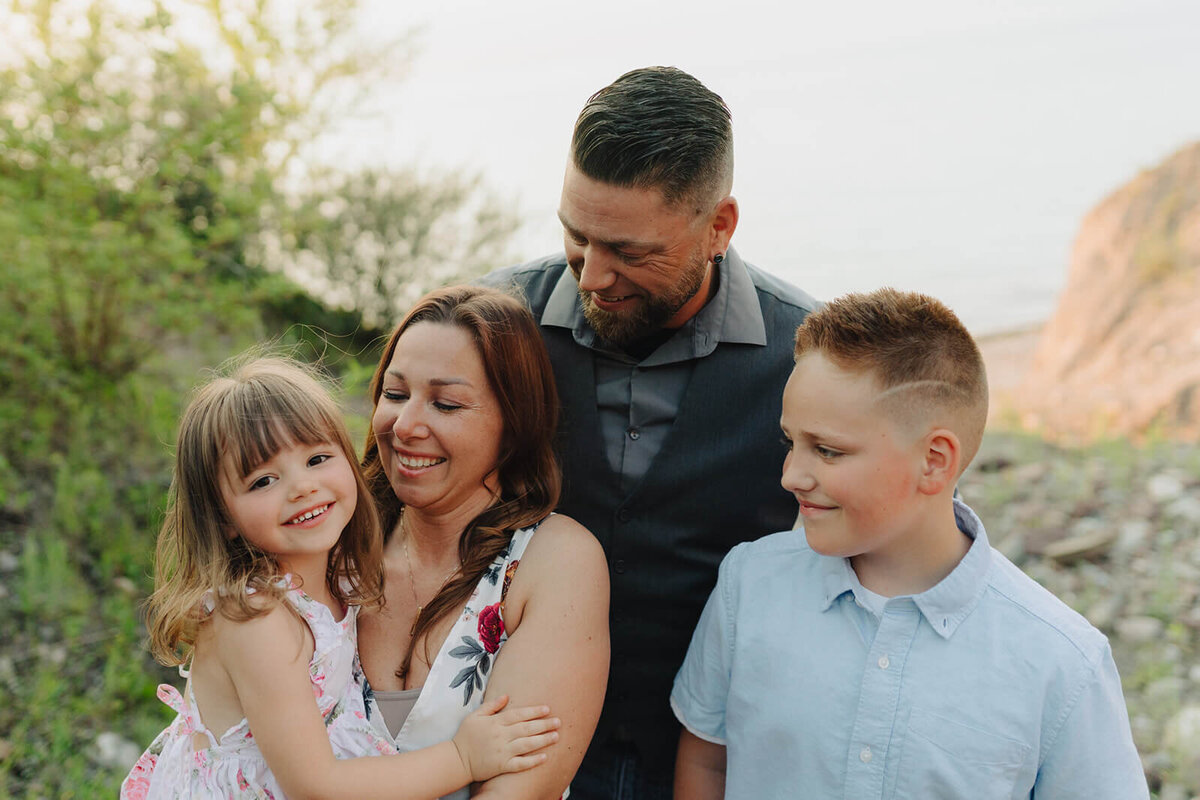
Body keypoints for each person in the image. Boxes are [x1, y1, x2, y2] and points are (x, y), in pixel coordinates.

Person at [479, 66, 819, 797]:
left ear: (718, 226)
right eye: (577, 236)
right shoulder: (490, 323)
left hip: (722, 758)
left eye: (630, 251)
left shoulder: (813, 357)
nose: (594, 276)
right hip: (509, 751)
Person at [671, 288, 1149, 798]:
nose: (791, 476)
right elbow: (708, 762)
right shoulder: (749, 583)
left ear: (935, 460)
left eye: (827, 451)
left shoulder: (1062, 661)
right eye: (792, 442)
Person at [121, 356, 561, 800]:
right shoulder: (257, 619)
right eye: (262, 481)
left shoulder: (336, 578)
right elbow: (318, 786)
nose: (301, 487)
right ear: (222, 517)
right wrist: (464, 758)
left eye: (317, 458)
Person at [356, 285, 610, 800]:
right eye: (395, 394)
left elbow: (522, 788)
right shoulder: (334, 543)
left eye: (446, 404)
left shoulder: (554, 562)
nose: (405, 426)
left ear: (513, 424)